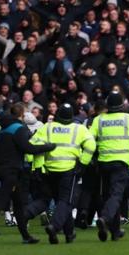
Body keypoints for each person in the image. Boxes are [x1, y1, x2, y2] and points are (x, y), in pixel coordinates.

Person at [0, 103, 56, 245]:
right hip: (11, 170)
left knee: (18, 204)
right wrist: (48, 147)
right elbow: (28, 148)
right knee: (1, 200)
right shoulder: (19, 129)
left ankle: (25, 236)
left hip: (2, 169)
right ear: (22, 114)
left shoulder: (2, 130)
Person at [25, 103, 96, 244]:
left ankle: (69, 234)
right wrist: (83, 163)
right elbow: (91, 145)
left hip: (48, 171)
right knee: (67, 202)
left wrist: (36, 167)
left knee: (59, 201)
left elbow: (32, 146)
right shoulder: (79, 129)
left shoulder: (48, 127)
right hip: (69, 171)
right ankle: (55, 226)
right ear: (72, 116)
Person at [90, 91, 129, 241]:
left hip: (103, 162)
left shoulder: (99, 120)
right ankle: (105, 219)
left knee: (109, 196)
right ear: (122, 105)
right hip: (122, 162)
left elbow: (89, 140)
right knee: (116, 195)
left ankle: (115, 232)